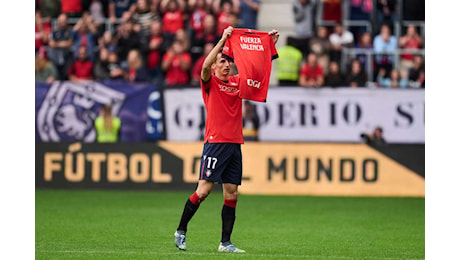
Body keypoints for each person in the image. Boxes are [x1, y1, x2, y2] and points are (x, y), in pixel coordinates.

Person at [174, 25, 279, 253]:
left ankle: (225, 243)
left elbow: (257, 72)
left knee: (232, 193)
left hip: (234, 144)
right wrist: (222, 40)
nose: (227, 63)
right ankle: (181, 230)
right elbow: (203, 66)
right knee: (203, 191)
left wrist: (268, 45)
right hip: (215, 142)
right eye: (222, 61)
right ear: (214, 67)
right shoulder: (209, 83)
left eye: (228, 61)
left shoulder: (236, 83)